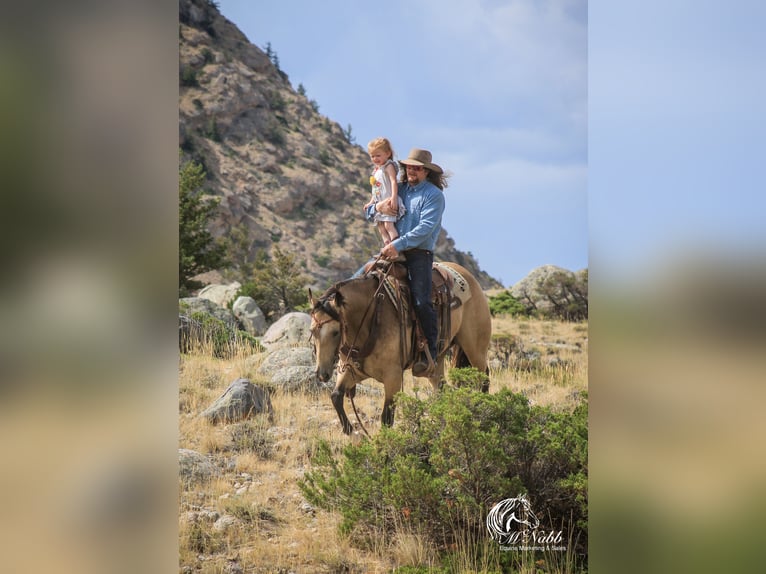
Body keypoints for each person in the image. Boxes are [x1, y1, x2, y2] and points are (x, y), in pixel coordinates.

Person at [365, 148, 448, 377]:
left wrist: (397, 245)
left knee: (421, 300)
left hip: (417, 254)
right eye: (409, 167)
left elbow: (424, 230)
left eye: (417, 168)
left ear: (426, 172)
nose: (412, 171)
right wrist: (376, 208)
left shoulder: (433, 195)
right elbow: (371, 210)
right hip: (391, 250)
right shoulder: (398, 189)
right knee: (361, 282)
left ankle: (430, 350)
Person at [364, 137, 404, 245]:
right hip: (379, 202)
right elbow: (375, 189)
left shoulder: (388, 166)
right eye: (372, 156)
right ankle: (387, 245)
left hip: (388, 200)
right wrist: (371, 202)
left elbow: (393, 181)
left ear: (387, 153)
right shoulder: (377, 169)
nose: (375, 159)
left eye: (378, 155)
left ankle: (396, 246)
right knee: (381, 227)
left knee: (388, 225)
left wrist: (394, 197)